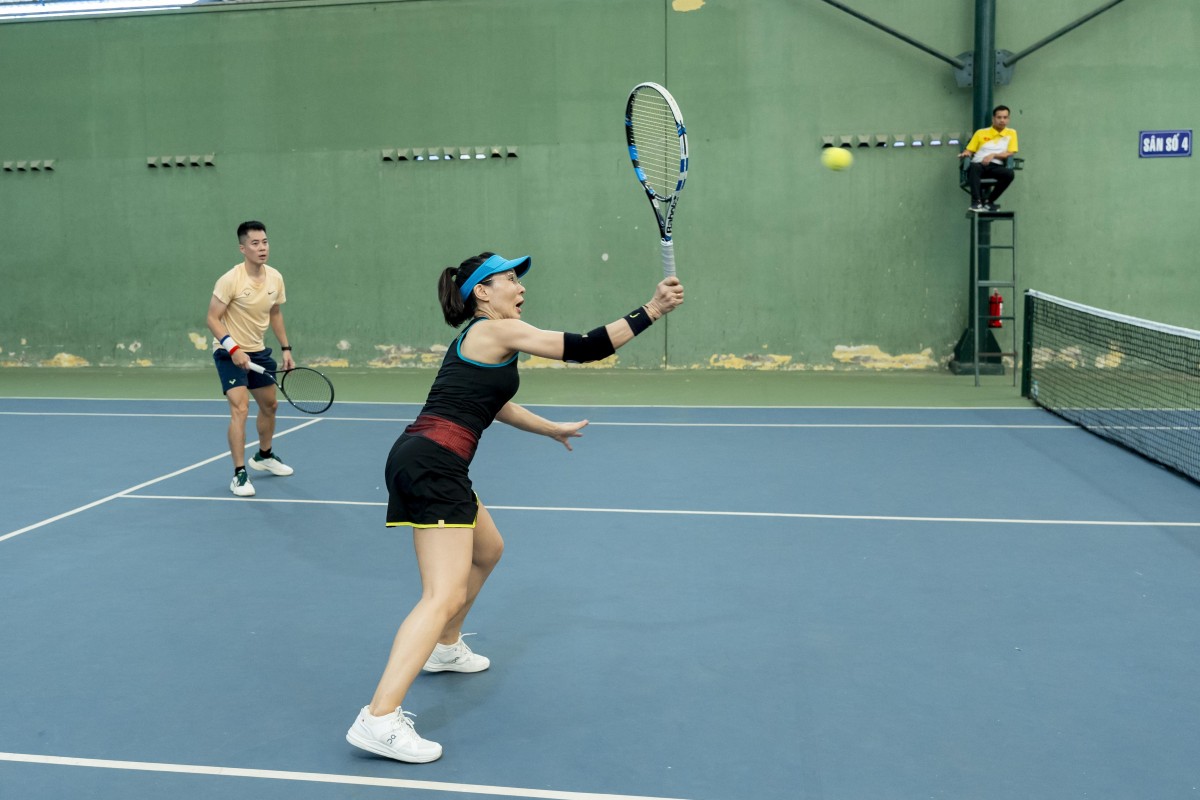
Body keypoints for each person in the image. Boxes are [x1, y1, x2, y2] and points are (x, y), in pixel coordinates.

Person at [345, 251, 684, 763]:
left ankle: (445, 647)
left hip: (437, 461)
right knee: (441, 593)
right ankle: (379, 718)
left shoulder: (482, 343)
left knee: (488, 550)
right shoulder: (493, 331)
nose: (520, 288)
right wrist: (652, 310)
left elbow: (493, 402)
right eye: (509, 280)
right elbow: (586, 347)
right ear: (482, 292)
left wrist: (549, 428)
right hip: (432, 464)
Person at [205, 220, 296, 498]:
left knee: (270, 405)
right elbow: (212, 318)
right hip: (227, 351)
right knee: (240, 408)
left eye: (265, 242)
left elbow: (275, 313)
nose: (262, 248)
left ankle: (264, 456)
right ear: (243, 248)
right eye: (255, 243)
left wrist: (286, 348)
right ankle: (240, 474)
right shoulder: (230, 279)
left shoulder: (275, 278)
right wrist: (233, 349)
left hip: (257, 350)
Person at [959, 105, 1019, 213]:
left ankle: (988, 201)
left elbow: (1010, 153)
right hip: (979, 165)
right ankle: (976, 202)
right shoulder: (980, 132)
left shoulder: (1011, 133)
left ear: (1008, 119)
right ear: (993, 119)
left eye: (1005, 117)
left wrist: (993, 155)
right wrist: (965, 154)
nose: (1002, 120)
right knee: (974, 166)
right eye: (999, 117)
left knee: (1009, 174)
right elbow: (970, 150)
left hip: (995, 167)